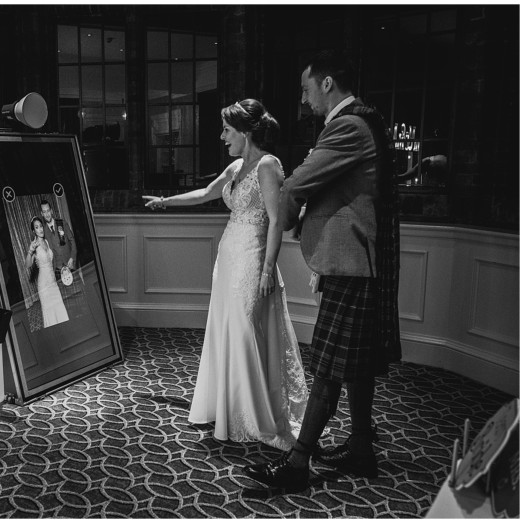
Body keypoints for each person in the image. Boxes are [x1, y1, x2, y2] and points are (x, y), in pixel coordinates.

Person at [243, 50, 401, 491]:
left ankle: (297, 464)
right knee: (356, 362)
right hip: (358, 260)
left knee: (330, 364)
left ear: (328, 84)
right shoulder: (364, 121)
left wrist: (287, 218)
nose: (303, 98)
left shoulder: (348, 126)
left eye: (306, 88)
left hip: (352, 261)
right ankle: (362, 449)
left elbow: (298, 183)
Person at [143, 99, 308, 448]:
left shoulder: (268, 165)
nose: (222, 137)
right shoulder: (236, 168)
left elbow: (277, 221)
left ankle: (261, 418)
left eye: (228, 130)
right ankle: (231, 405)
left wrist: (267, 270)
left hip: (252, 260)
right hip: (229, 259)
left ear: (246, 133)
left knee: (246, 331)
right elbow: (205, 193)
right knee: (228, 330)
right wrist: (166, 201)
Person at [27, 216, 69, 328]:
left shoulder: (46, 241)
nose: (40, 229)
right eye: (37, 227)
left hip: (53, 283)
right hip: (44, 285)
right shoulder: (34, 245)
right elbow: (27, 265)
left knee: (59, 309)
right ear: (33, 231)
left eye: (41, 226)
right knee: (49, 313)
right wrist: (30, 251)